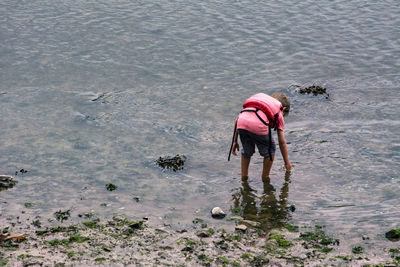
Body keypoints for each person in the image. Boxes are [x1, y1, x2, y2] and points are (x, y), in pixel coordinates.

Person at [230, 92, 292, 181]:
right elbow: (281, 142)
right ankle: (265, 178)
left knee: (246, 150)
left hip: (241, 121)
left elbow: (237, 119)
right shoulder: (279, 109)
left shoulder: (262, 100)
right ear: (284, 109)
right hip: (258, 124)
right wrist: (287, 163)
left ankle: (244, 176)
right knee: (270, 150)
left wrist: (235, 141)